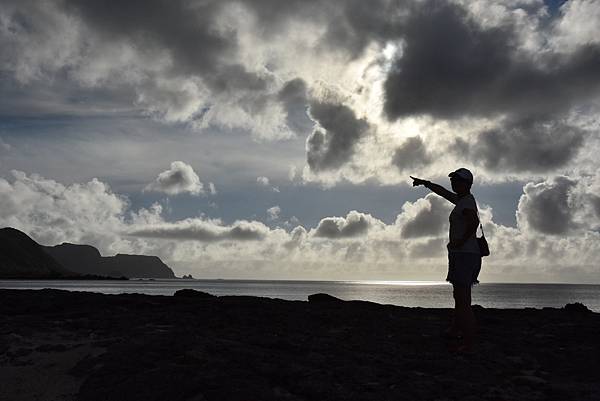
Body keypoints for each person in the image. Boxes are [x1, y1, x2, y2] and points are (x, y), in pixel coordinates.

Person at [410, 168, 481, 352]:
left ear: (468, 184)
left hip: (465, 255)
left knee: (463, 300)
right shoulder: (462, 200)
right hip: (464, 254)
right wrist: (426, 183)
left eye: (458, 180)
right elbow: (444, 193)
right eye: (453, 179)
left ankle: (469, 343)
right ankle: (455, 330)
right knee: (459, 296)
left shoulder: (467, 203)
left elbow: (473, 223)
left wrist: (459, 242)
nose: (454, 182)